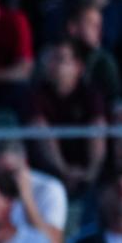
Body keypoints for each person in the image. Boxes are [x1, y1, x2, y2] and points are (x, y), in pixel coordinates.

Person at [24, 41, 108, 194]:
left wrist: (91, 172)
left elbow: (98, 130)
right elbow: (41, 130)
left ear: (78, 67)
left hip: (88, 171)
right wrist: (63, 170)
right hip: (52, 172)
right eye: (51, 59)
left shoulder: (91, 94)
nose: (54, 64)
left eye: (61, 59)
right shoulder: (37, 94)